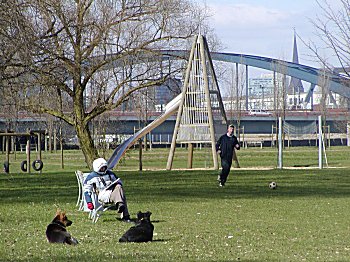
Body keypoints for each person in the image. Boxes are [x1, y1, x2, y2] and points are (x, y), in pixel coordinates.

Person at [83, 157, 131, 222]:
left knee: (119, 186)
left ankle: (120, 205)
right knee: (121, 194)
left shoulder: (110, 174)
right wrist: (89, 202)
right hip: (102, 195)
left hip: (113, 193)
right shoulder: (91, 177)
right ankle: (124, 214)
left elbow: (119, 181)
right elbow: (86, 190)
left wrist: (116, 183)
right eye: (101, 168)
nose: (103, 169)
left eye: (104, 167)